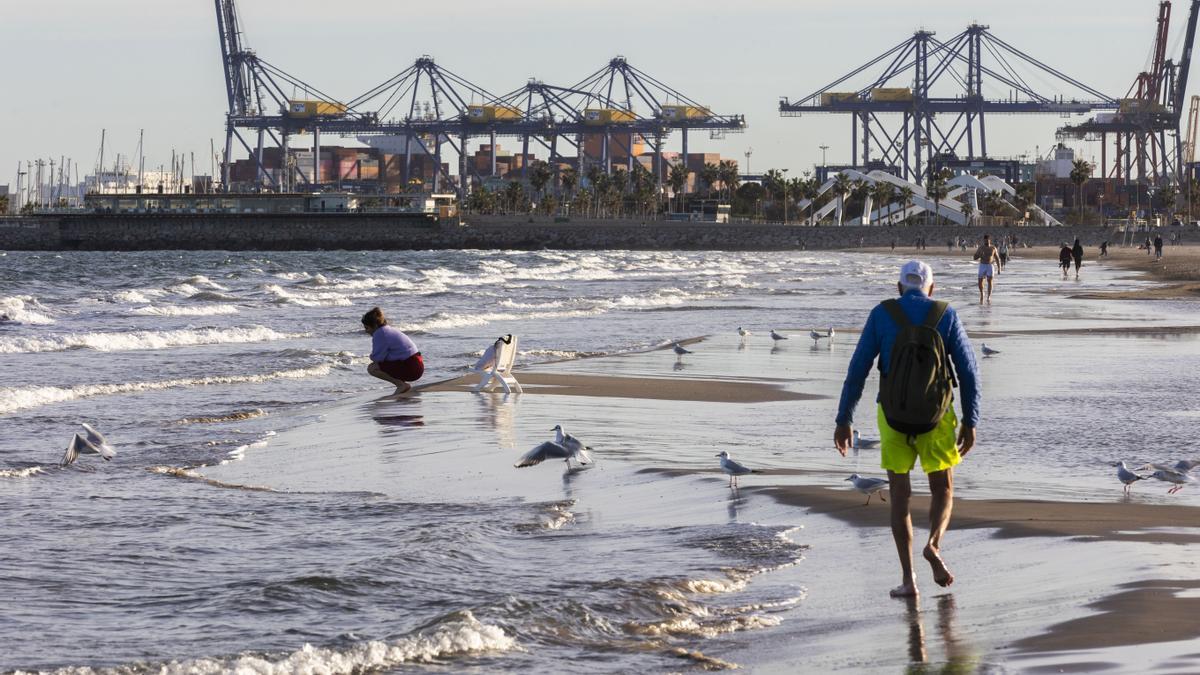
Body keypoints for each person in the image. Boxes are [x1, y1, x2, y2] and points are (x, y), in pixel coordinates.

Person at [834, 261, 980, 598]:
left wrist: (844, 418)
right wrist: (971, 420)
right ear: (932, 288)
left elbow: (858, 368)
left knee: (900, 495)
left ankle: (908, 580)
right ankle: (933, 545)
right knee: (942, 488)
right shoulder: (946, 314)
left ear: (899, 287)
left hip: (893, 418)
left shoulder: (882, 314)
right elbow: (969, 372)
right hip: (936, 417)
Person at [362, 307, 424, 396]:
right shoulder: (387, 330)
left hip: (412, 367)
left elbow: (377, 358)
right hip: (417, 365)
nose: (366, 331)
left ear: (375, 325)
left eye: (367, 328)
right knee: (384, 363)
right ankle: (402, 385)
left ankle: (401, 385)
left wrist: (371, 357)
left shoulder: (380, 334)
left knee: (372, 368)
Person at [972, 234, 1000, 303]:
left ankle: (989, 296)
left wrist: (999, 268)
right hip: (982, 265)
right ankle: (982, 293)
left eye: (987, 240)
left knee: (990, 281)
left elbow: (997, 258)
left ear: (989, 240)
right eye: (985, 240)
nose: (986, 242)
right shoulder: (981, 248)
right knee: (980, 281)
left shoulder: (993, 248)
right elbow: (974, 257)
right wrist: (979, 255)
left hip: (990, 265)